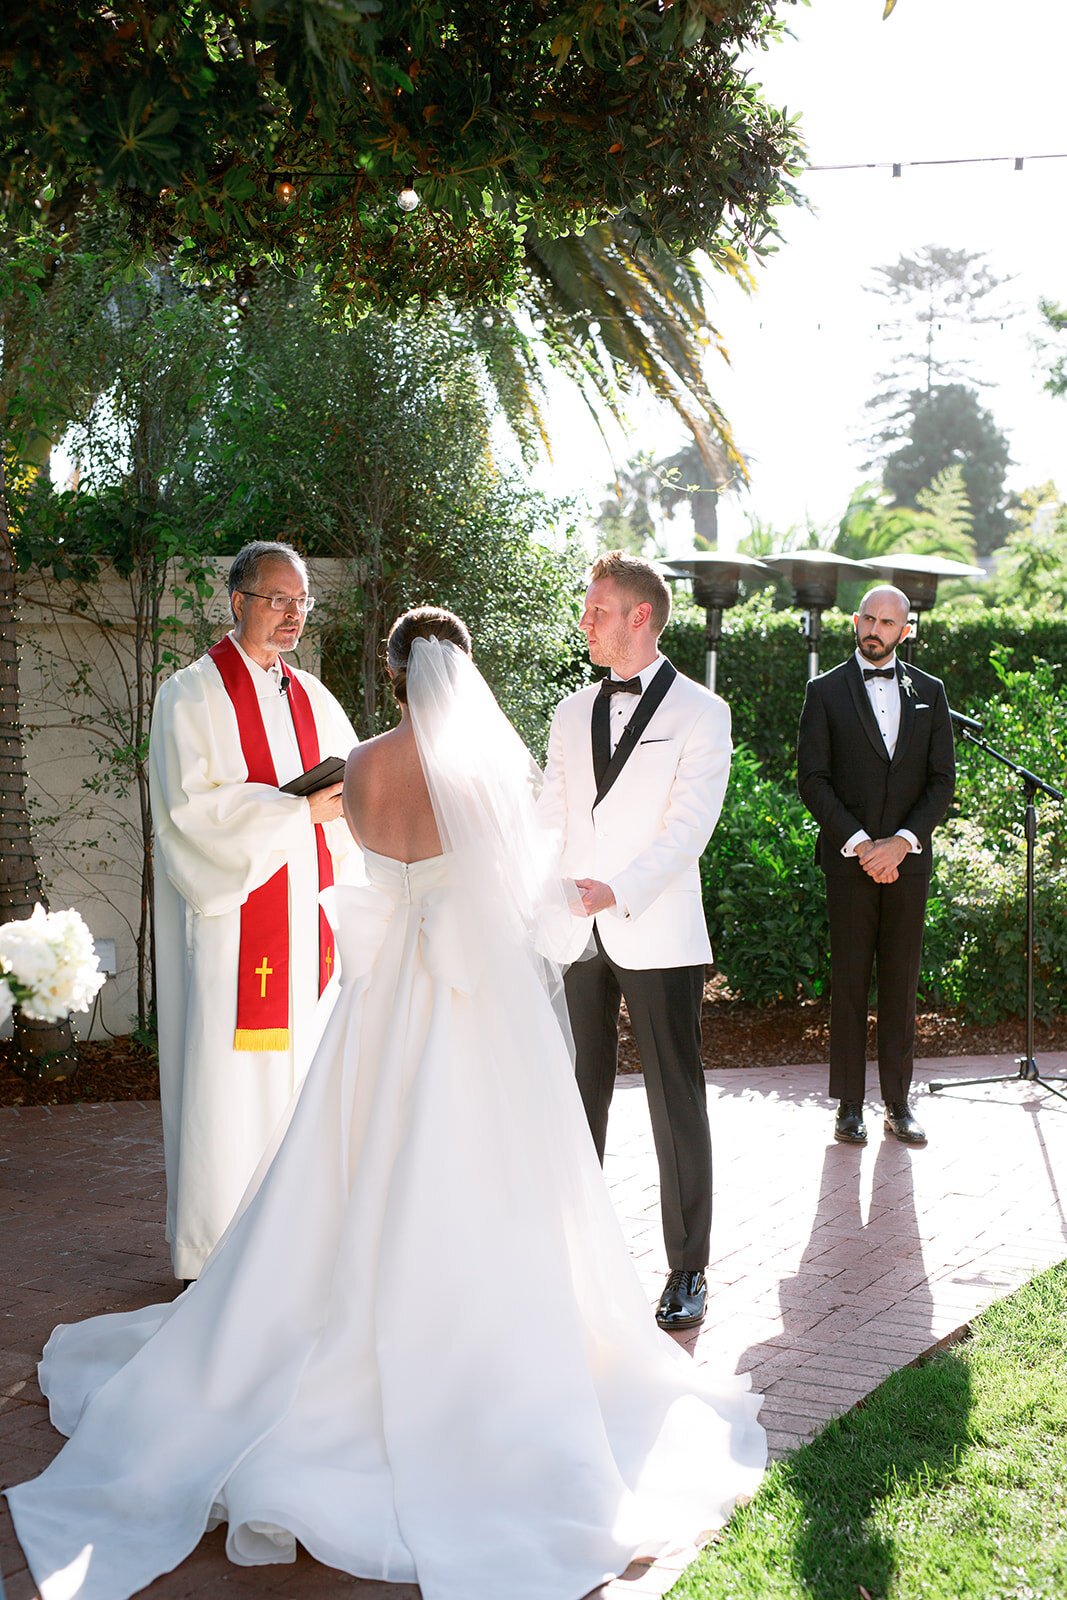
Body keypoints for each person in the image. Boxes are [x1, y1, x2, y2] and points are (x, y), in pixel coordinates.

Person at [6, 606, 765, 1600]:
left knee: (339, 1165)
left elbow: (357, 865)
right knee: (490, 1177)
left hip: (371, 1009)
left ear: (391, 673)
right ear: (460, 671)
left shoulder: (357, 765)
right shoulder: (480, 774)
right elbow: (519, 891)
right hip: (467, 1010)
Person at [148, 539, 359, 1281]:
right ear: (237, 601)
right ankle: (215, 1250)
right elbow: (190, 816)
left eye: (301, 602)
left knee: (305, 1077)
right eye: (278, 599)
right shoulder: (190, 695)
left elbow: (349, 787)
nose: (292, 615)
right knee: (231, 1085)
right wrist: (295, 815)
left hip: (310, 923)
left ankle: (296, 1240)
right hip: (236, 925)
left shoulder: (314, 697)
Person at [539, 552, 733, 1334]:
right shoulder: (567, 709)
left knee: (672, 1098)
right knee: (574, 1091)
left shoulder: (701, 712)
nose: (583, 622)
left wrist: (617, 888)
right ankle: (571, 1251)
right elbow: (552, 810)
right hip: (573, 928)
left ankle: (687, 1268)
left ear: (638, 617)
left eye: (595, 611)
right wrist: (534, 879)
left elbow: (690, 825)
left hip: (655, 925)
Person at [797, 584, 955, 1147]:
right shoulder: (824, 691)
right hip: (849, 862)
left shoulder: (931, 693)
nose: (876, 629)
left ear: (905, 631)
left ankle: (898, 1103)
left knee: (900, 984)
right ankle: (846, 1106)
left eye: (888, 623)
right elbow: (811, 779)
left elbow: (942, 781)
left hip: (908, 865)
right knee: (849, 983)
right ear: (855, 621)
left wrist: (902, 843)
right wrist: (864, 844)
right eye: (869, 618)